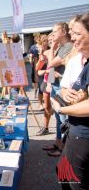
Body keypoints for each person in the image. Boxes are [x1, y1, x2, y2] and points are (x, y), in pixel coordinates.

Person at [50, 12, 89, 189]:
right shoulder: (80, 59)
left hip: (83, 134)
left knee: (75, 183)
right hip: (75, 131)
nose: (72, 37)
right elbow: (67, 87)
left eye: (77, 33)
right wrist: (67, 94)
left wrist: (61, 109)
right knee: (63, 174)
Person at [43, 22, 73, 151]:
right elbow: (50, 71)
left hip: (62, 87)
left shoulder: (68, 46)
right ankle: (58, 143)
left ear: (64, 32)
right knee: (57, 117)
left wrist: (52, 50)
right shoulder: (61, 47)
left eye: (55, 31)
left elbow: (50, 65)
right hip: (55, 86)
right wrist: (49, 84)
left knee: (63, 118)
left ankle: (64, 150)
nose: (53, 33)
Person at [29, 33, 40, 98]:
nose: (36, 39)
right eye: (36, 38)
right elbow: (30, 54)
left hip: (41, 63)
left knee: (40, 77)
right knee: (33, 78)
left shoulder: (42, 46)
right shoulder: (33, 47)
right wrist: (30, 61)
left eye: (38, 37)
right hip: (34, 63)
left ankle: (39, 89)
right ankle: (35, 89)